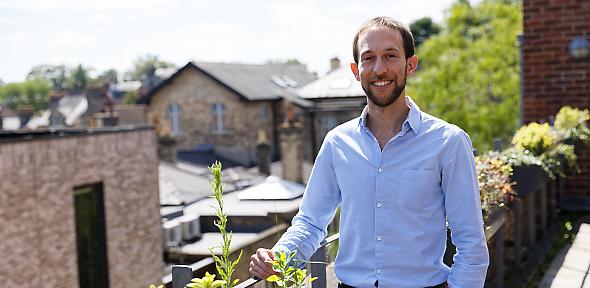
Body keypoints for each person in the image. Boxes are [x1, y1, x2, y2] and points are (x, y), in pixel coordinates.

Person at [249, 16, 489, 288]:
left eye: (390, 56)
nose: (379, 68)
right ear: (355, 69)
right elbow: (311, 221)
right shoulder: (337, 143)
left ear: (410, 65)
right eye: (368, 58)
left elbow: (471, 243)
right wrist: (280, 257)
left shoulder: (449, 142)